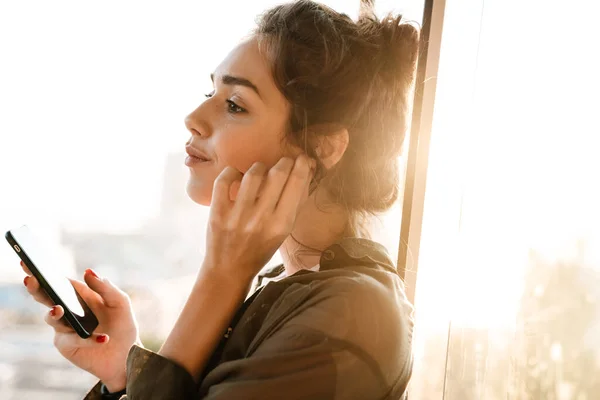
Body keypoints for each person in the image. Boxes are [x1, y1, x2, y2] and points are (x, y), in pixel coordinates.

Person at [20, 1, 419, 398]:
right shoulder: (291, 288)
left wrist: (221, 277)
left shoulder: (350, 315)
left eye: (234, 104)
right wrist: (126, 372)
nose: (193, 116)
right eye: (211, 92)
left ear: (323, 147)